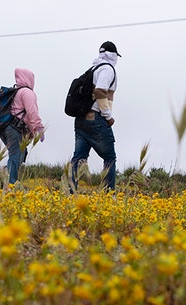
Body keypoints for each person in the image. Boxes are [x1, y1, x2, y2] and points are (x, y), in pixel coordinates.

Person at [69, 41, 120, 193]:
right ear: (113, 55)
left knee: (78, 158)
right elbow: (99, 91)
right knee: (110, 157)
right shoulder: (107, 70)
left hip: (81, 120)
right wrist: (108, 116)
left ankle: (71, 194)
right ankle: (108, 195)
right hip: (96, 119)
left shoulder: (93, 68)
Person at [0, 68, 45, 186]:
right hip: (15, 129)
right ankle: (10, 185)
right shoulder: (27, 92)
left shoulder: (16, 91)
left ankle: (3, 178)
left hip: (5, 127)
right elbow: (32, 112)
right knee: (16, 156)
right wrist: (38, 128)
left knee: (19, 155)